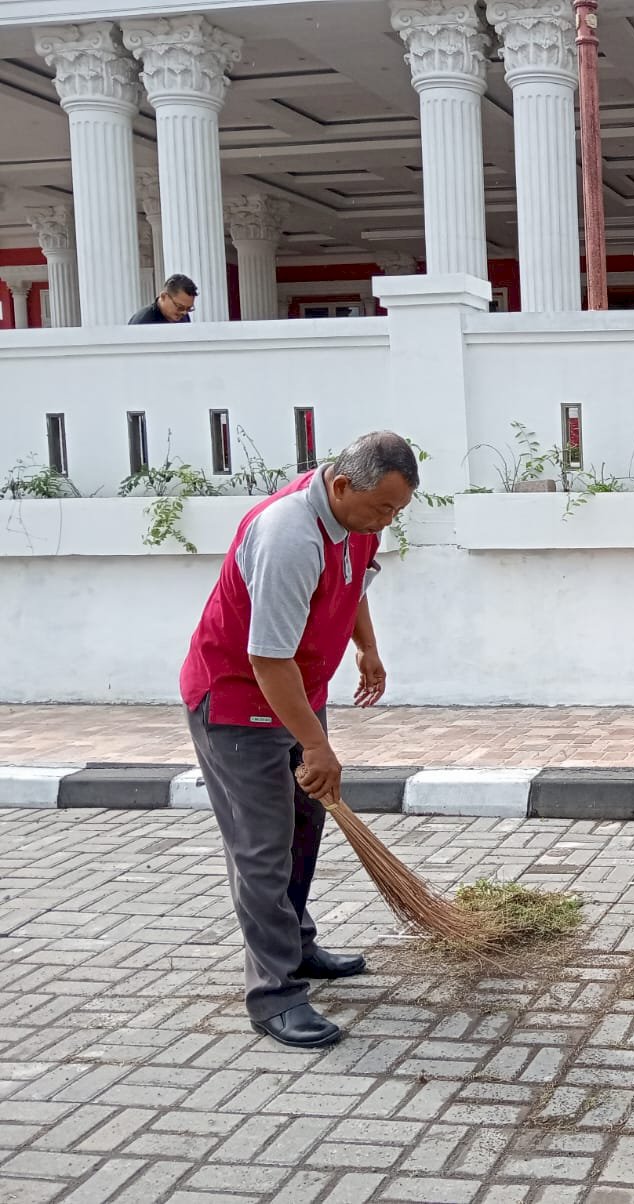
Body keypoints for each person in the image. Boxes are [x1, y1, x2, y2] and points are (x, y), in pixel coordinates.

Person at [180, 432, 416, 1048]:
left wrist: (366, 648)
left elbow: (357, 579)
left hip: (295, 698)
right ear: (341, 486)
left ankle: (298, 946)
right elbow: (267, 657)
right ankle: (274, 995)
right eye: (383, 509)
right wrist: (316, 747)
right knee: (263, 849)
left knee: (305, 826)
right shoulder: (288, 535)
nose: (387, 521)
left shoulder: (357, 516)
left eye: (397, 510)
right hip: (236, 703)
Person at [130, 273, 197, 324]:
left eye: (189, 309)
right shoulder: (143, 321)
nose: (184, 313)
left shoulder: (183, 317)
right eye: (180, 307)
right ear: (163, 296)